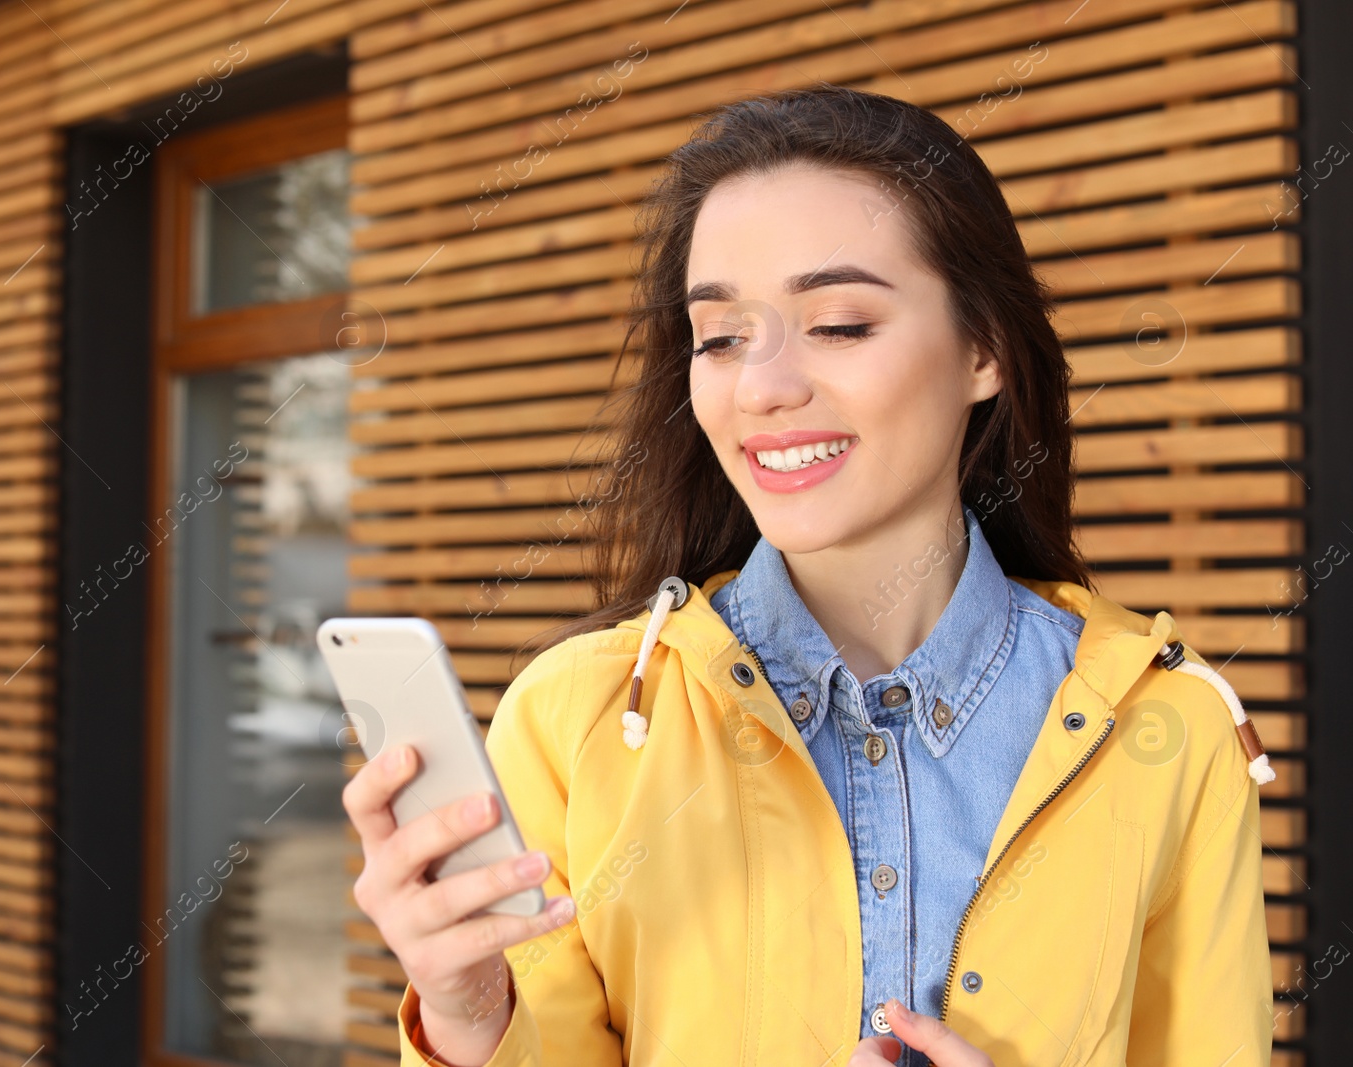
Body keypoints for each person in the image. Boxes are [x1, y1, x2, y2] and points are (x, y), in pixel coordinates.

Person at [343, 84, 1277, 1067]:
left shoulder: (1170, 730)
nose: (762, 385)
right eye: (720, 337)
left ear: (984, 349)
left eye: (836, 322)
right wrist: (466, 1011)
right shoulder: (574, 721)